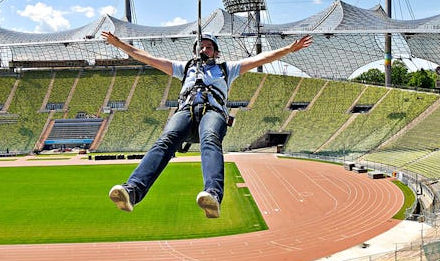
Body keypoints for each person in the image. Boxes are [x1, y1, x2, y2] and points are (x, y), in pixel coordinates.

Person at [101, 30, 312, 218]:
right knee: (165, 140)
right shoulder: (184, 68)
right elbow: (148, 58)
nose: (204, 49)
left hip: (213, 112)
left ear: (216, 53)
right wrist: (119, 44)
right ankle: (132, 191)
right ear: (195, 52)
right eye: (201, 47)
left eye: (209, 47)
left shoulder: (226, 69)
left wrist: (288, 49)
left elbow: (261, 58)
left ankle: (212, 194)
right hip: (185, 112)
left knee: (210, 139)